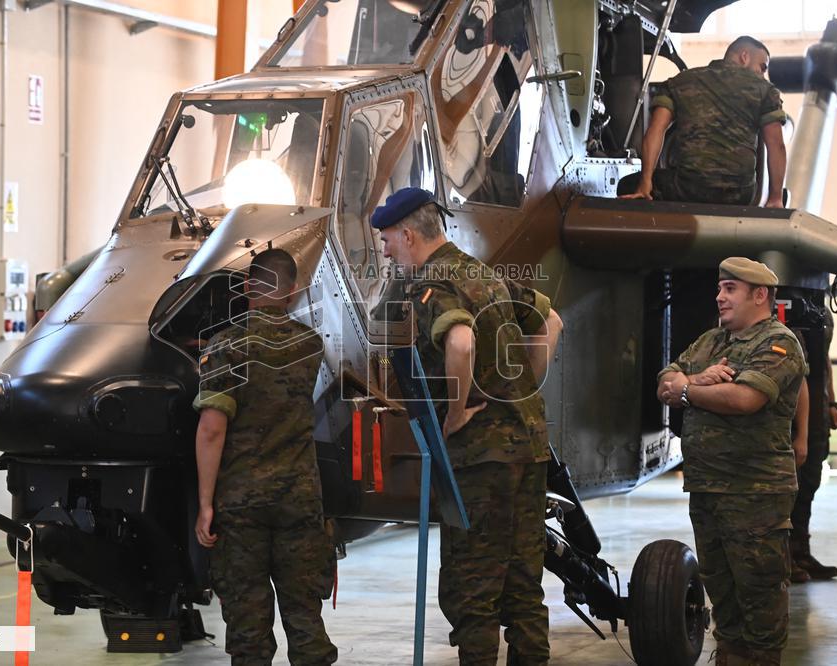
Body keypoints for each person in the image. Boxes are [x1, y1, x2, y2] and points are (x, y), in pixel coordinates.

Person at [371, 187, 563, 665]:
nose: (386, 251)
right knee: (523, 588)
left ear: (409, 235)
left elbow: (459, 343)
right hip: (530, 449)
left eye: (388, 240)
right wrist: (526, 385)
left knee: (473, 594)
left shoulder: (432, 284)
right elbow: (551, 320)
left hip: (483, 461)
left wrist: (457, 413)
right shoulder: (482, 272)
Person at [657, 257, 806, 666]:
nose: (719, 297)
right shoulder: (712, 342)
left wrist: (687, 390)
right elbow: (664, 380)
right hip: (706, 489)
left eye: (730, 289)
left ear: (759, 295)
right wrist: (688, 381)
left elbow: (744, 399)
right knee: (722, 595)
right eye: (720, 288)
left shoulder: (778, 343)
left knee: (759, 599)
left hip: (753, 493)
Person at [193, 248, 337, 665]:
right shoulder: (309, 345)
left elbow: (212, 429)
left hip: (242, 507)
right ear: (292, 291)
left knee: (248, 624)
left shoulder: (228, 346)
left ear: (248, 288)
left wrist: (205, 504)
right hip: (299, 500)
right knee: (304, 613)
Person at [620, 36, 787, 207]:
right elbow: (776, 145)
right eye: (762, 67)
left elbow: (656, 129)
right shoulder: (765, 91)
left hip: (689, 189)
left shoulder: (680, 82)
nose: (763, 75)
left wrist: (645, 183)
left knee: (627, 184)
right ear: (744, 57)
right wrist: (775, 198)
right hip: (740, 194)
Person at [790, 306, 837, 581]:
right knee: (793, 483)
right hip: (799, 407)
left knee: (810, 480)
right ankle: (785, 555)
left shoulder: (819, 310)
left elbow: (825, 359)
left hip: (819, 405)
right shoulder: (791, 307)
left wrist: (832, 402)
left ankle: (801, 551)